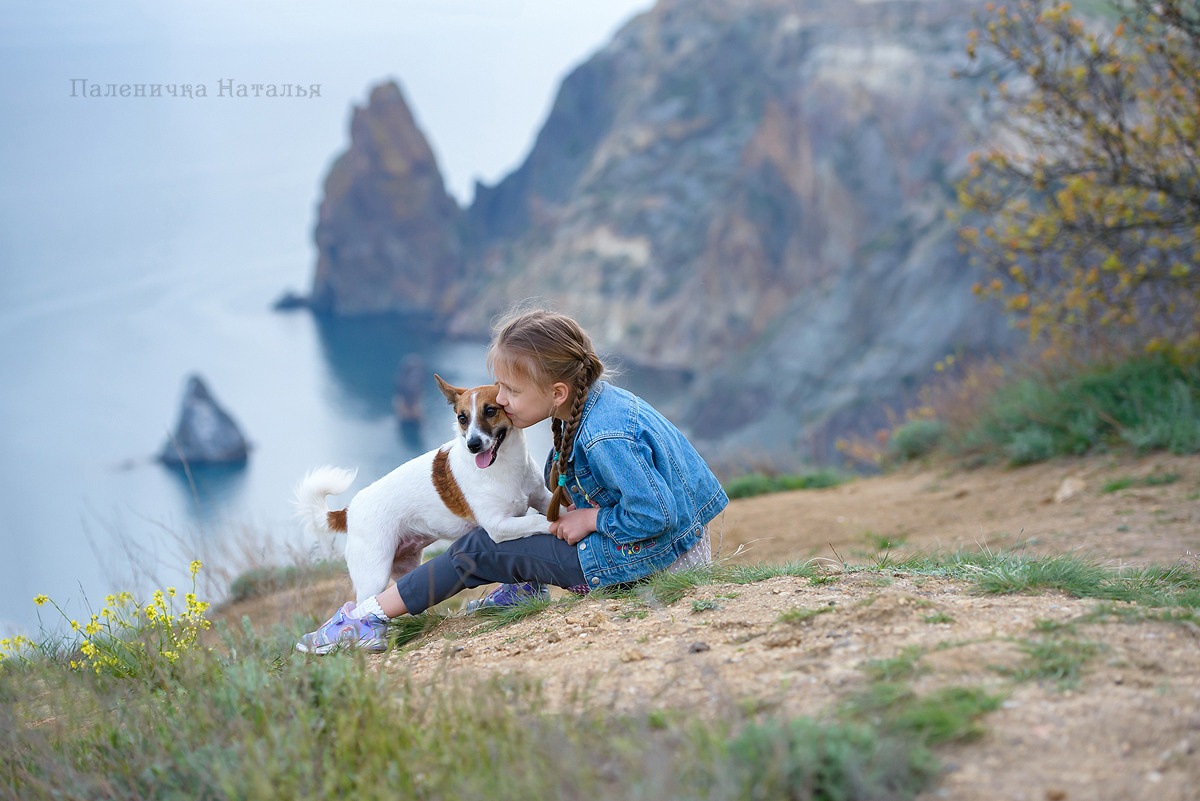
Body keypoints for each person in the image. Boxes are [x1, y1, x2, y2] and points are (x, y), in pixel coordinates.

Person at [296, 308, 729, 654]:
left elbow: (655, 513)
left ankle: (365, 618)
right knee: (521, 518)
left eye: (509, 390)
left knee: (479, 547)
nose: (499, 399)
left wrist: (593, 519)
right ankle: (523, 588)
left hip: (652, 560)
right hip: (667, 548)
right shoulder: (600, 405)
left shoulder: (604, 434)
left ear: (556, 392)